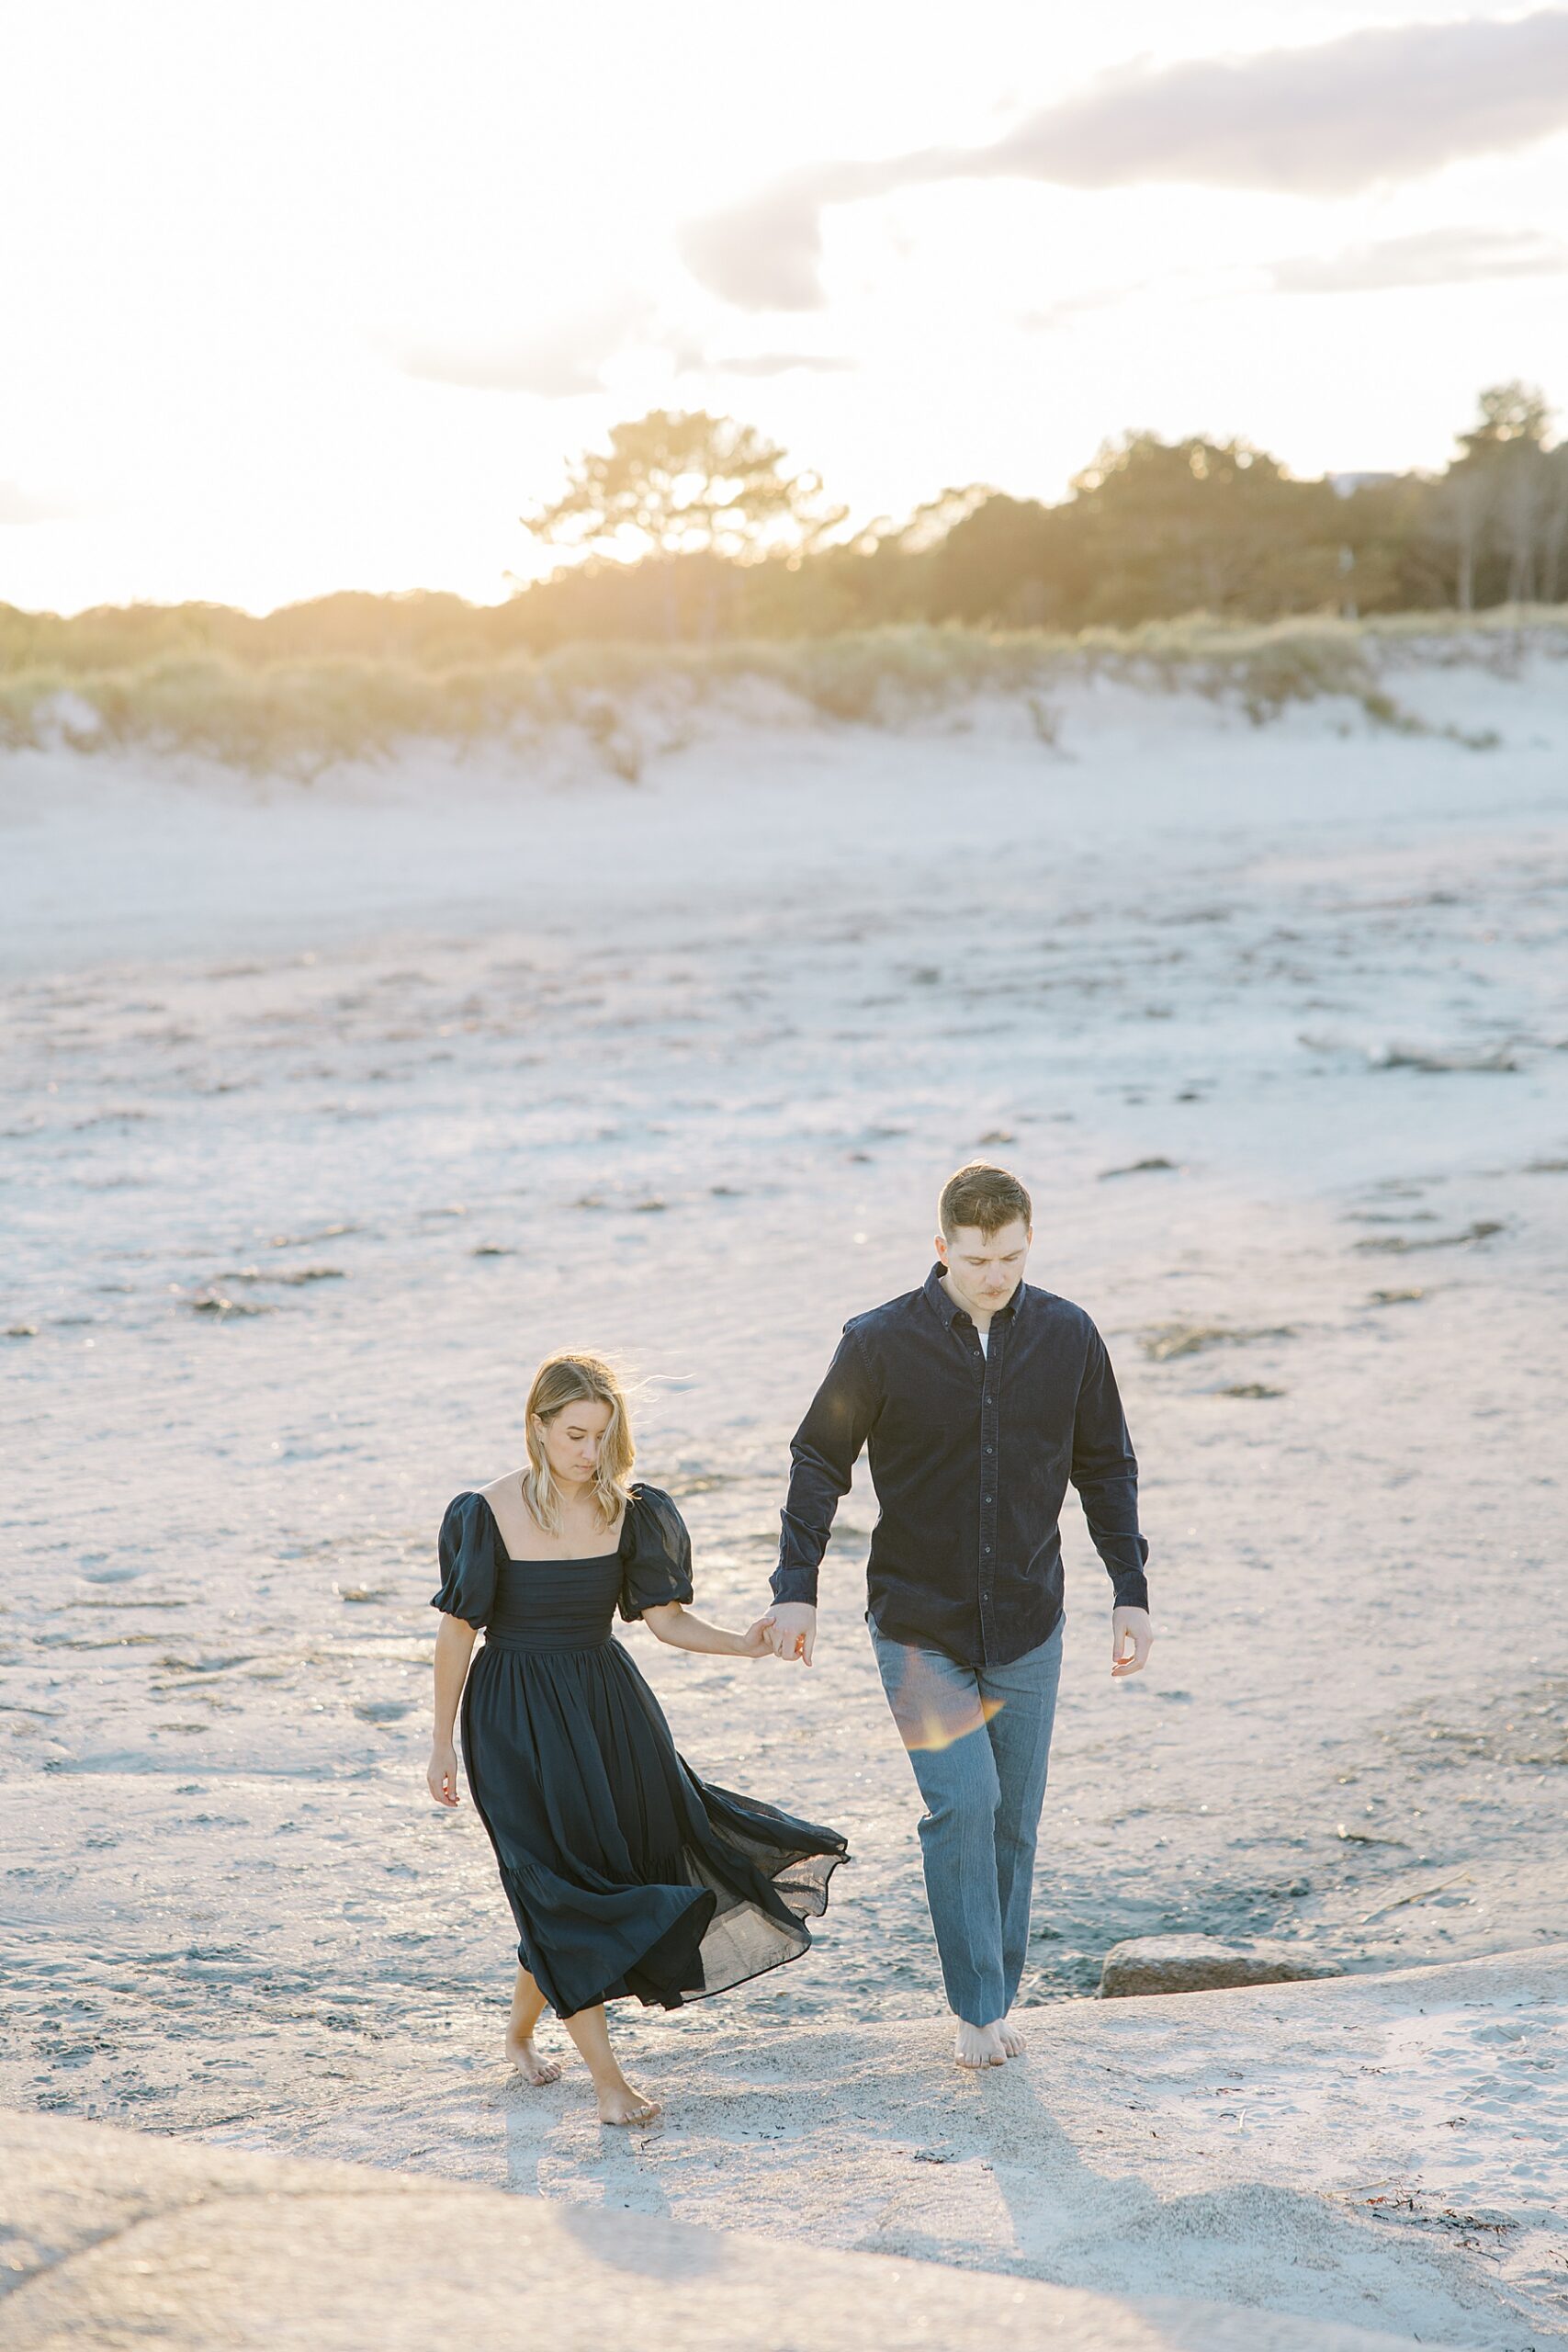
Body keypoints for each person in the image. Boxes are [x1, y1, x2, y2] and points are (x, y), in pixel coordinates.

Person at [766, 1161, 1152, 2071]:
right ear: (942, 1248)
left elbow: (1107, 1466)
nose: (995, 1275)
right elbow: (820, 1459)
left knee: (1014, 1818)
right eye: (977, 1258)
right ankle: (976, 2008)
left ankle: (998, 1993)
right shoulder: (878, 1343)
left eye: (1011, 1256)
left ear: (1028, 1243)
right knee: (963, 1804)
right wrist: (796, 1585)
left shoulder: (1069, 1335)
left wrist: (1130, 1589)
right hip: (917, 1625)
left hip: (1029, 1619)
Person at [427, 1350, 846, 2126]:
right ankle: (609, 2085)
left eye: (602, 1436)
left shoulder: (633, 1510)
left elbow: (666, 1622)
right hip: (512, 1717)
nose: (589, 1454)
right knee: (547, 1879)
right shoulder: (484, 1512)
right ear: (538, 1427)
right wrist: (440, 1743)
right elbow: (457, 1634)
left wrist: (745, 1644)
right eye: (575, 1435)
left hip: (609, 1708)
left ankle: (518, 2031)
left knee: (601, 1875)